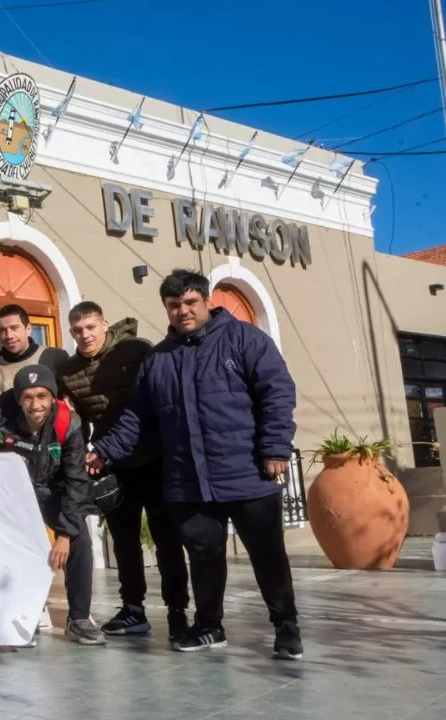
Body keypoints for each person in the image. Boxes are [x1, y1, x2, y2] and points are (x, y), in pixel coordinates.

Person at [87, 270, 302, 660]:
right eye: (174, 305)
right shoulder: (158, 360)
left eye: (190, 303)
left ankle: (286, 628)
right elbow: (138, 419)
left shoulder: (245, 339)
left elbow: (278, 392)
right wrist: (104, 450)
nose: (182, 311)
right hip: (188, 482)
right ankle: (209, 627)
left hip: (248, 474)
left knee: (267, 556)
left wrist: (274, 449)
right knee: (204, 557)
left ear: (206, 301)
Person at [56, 302, 191, 641]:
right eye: (77, 330)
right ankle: (133, 609)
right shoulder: (70, 372)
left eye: (90, 327)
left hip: (154, 459)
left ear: (104, 324)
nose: (85, 335)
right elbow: (81, 421)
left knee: (166, 540)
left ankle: (177, 612)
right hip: (111, 466)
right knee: (124, 543)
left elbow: (156, 403)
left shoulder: (137, 350)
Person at [0, 364, 105, 646]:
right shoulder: (1, 422)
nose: (35, 404)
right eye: (27, 397)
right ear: (18, 400)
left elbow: (77, 481)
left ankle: (79, 618)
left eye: (41, 396)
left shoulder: (69, 424)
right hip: (14, 496)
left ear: (52, 398)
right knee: (6, 543)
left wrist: (64, 535)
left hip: (55, 491)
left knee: (79, 541)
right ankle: (19, 615)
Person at [0, 304, 44, 402]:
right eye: (2, 330)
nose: (9, 335)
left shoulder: (51, 356)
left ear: (28, 329)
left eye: (14, 328)